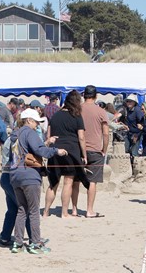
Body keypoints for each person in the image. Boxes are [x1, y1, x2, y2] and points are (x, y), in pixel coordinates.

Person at [8, 107, 61, 253]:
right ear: (29, 120)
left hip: (15, 175)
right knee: (33, 211)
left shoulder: (15, 134)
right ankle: (35, 243)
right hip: (29, 176)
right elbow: (40, 150)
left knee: (21, 210)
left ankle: (18, 243)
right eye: (36, 122)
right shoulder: (29, 133)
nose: (37, 125)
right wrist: (56, 151)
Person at [44, 90, 89, 218]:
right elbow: (81, 137)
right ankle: (64, 212)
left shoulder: (55, 116)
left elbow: (49, 135)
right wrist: (84, 155)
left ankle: (46, 211)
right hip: (71, 151)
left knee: (53, 183)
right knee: (68, 182)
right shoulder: (77, 116)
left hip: (55, 150)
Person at [80, 85, 111, 217]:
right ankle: (89, 210)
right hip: (95, 149)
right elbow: (106, 133)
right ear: (96, 96)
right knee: (93, 181)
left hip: (79, 148)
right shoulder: (100, 111)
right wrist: (104, 149)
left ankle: (74, 209)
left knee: (74, 181)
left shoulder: (78, 109)